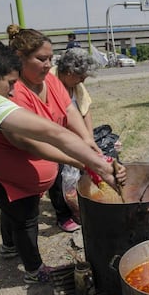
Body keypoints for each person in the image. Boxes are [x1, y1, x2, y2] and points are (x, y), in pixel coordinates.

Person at [0, 40, 126, 295]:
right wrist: (99, 165)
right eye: (11, 84)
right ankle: (34, 269)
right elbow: (52, 133)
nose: (13, 92)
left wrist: (91, 155)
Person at [48, 47, 99, 231]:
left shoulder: (75, 84)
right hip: (53, 136)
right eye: (81, 76)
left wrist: (90, 139)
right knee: (56, 175)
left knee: (75, 175)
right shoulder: (49, 82)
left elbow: (85, 110)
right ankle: (62, 216)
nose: (83, 80)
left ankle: (77, 207)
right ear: (69, 72)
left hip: (72, 136)